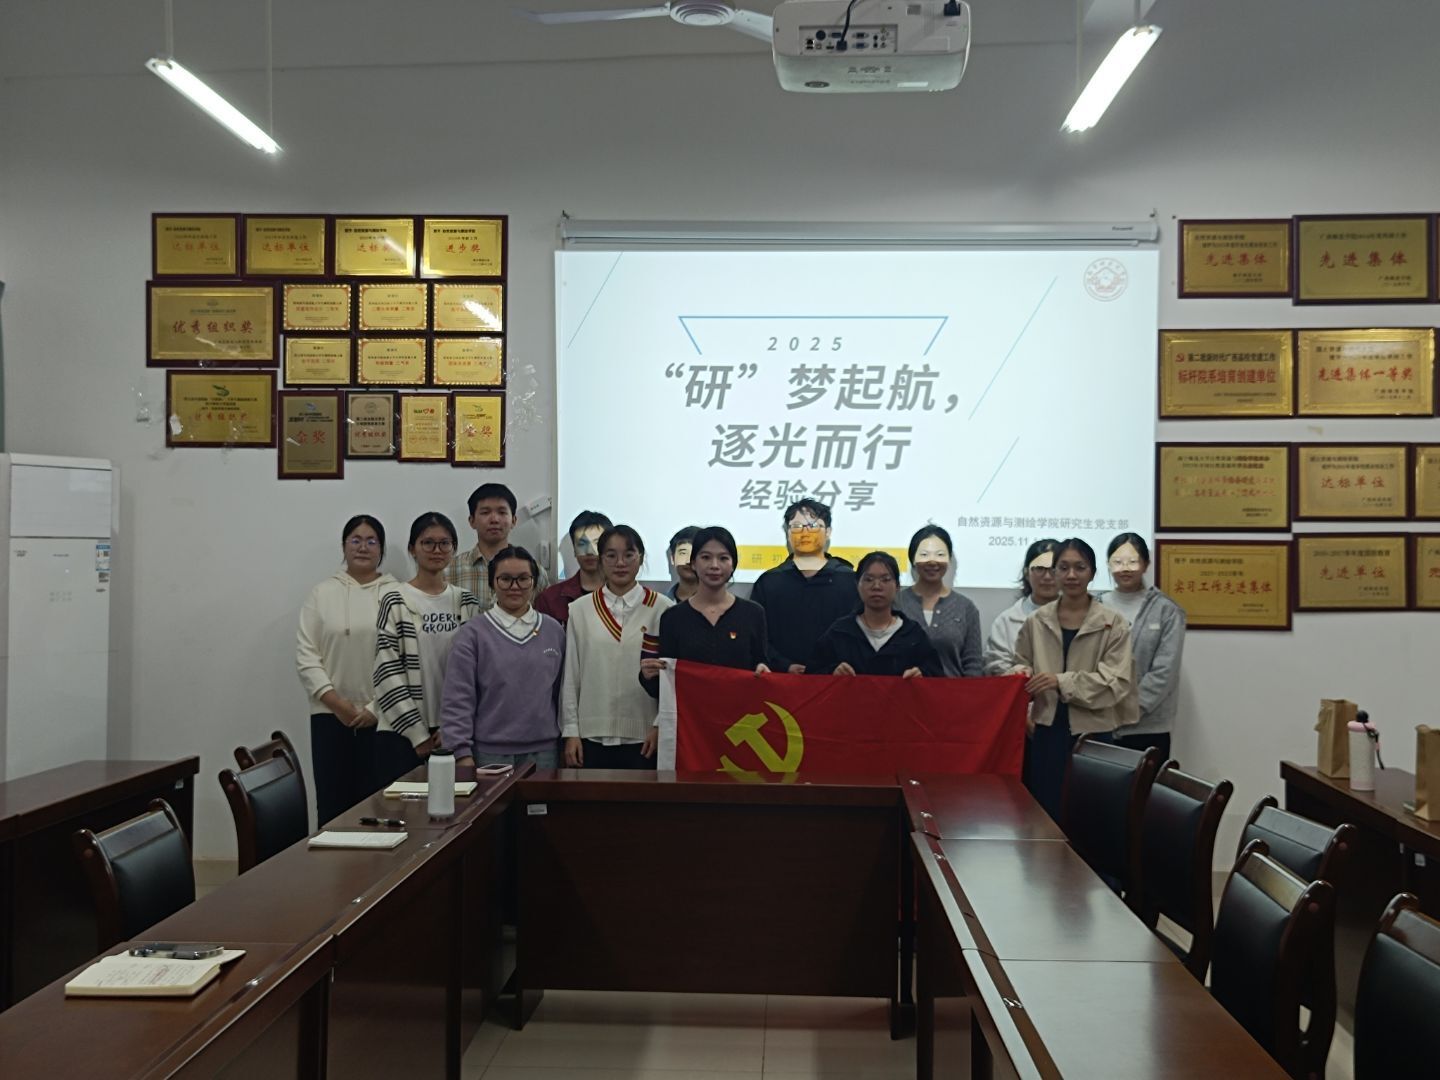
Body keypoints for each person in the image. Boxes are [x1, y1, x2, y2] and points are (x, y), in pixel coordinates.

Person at [1011, 537, 1137, 821]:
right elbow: (1020, 662)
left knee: (1092, 817)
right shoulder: (1036, 621)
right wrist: (1020, 673)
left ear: (1092, 573)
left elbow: (1115, 682)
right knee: (1045, 816)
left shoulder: (1113, 623)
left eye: (1080, 567)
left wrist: (1061, 681)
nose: (1071, 575)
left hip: (1094, 733)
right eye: (1063, 567)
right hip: (1046, 732)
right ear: (1054, 572)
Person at [295, 514, 396, 824]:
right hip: (329, 716)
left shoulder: (396, 594)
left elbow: (404, 659)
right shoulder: (322, 593)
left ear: (381, 549)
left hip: (383, 717)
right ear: (343, 546)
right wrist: (337, 704)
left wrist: (375, 708)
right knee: (333, 807)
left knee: (380, 809)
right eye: (356, 540)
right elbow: (306, 655)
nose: (363, 547)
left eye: (371, 541)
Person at [373, 512, 481, 787]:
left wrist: (452, 728)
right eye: (427, 543)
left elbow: (476, 672)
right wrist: (417, 734)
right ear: (413, 549)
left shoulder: (465, 601)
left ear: (454, 549)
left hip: (452, 731)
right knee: (404, 809)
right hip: (402, 732)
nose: (437, 550)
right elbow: (386, 670)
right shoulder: (394, 599)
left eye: (445, 543)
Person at [442, 545, 565, 771]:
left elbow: (561, 694)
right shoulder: (472, 633)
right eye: (505, 579)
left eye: (523, 579)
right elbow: (457, 698)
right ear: (492, 583)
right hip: (488, 753)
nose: (515, 587)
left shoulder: (553, 630)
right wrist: (460, 752)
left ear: (534, 582)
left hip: (545, 752)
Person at [560, 525, 673, 768]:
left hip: (646, 738)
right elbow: (571, 675)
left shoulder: (663, 608)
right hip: (591, 736)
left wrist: (660, 724)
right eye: (611, 555)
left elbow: (670, 679)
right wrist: (571, 731)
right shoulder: (580, 609)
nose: (620, 563)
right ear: (601, 559)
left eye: (629, 554)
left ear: (640, 557)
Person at [640, 525, 769, 696]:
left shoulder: (753, 614)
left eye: (723, 558)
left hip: (740, 710)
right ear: (693, 563)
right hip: (690, 712)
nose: (714, 565)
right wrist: (648, 676)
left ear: (733, 564)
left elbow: (761, 664)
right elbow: (665, 686)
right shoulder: (673, 617)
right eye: (706, 557)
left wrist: (764, 671)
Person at [1098, 532, 1186, 761]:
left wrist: (1129, 709)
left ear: (1146, 564)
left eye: (1133, 561)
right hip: (1098, 724)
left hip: (1148, 728)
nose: (1125, 568)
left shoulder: (1167, 610)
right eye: (1118, 562)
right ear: (1108, 564)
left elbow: (1164, 671)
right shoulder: (1094, 607)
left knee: (1146, 785)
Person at [749, 499, 857, 673]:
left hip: (837, 679)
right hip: (782, 680)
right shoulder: (769, 582)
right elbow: (756, 636)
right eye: (797, 526)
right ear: (787, 533)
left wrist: (834, 667)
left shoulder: (849, 580)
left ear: (828, 532)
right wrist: (785, 666)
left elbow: (861, 633)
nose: (805, 533)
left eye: (813, 526)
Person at [808, 551, 941, 678]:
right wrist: (832, 672)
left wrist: (922, 674)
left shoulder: (913, 634)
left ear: (897, 586)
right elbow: (812, 675)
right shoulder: (840, 633)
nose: (876, 586)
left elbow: (937, 676)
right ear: (857, 585)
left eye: (885, 579)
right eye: (869, 579)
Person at [893, 525, 983, 677]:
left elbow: (973, 665)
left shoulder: (966, 607)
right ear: (913, 559)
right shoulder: (896, 603)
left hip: (951, 690)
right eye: (924, 554)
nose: (932, 561)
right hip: (904, 689)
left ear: (949, 559)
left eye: (940, 554)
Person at [445, 482, 550, 611]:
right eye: (485, 512)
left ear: (513, 521)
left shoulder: (535, 572)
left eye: (502, 512)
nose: (494, 519)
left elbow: (543, 618)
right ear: (472, 521)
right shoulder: (450, 571)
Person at [983, 539, 1062, 675]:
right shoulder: (1006, 621)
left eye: (1054, 569)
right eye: (1039, 569)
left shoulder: (1080, 617)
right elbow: (995, 665)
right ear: (1026, 573)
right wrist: (1016, 672)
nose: (1047, 577)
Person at [534, 510, 612, 626]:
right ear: (574, 549)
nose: (589, 551)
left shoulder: (625, 594)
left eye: (597, 543)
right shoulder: (550, 598)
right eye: (582, 544)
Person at [665, 525, 701, 603]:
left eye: (695, 553)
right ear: (672, 558)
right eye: (683, 553)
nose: (688, 561)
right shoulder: (660, 604)